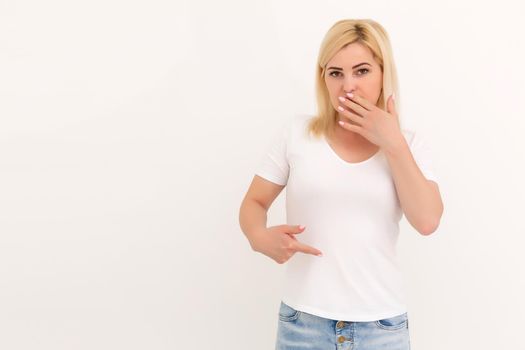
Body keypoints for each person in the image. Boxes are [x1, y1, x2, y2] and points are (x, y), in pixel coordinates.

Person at [238, 18, 444, 350]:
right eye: (336, 73)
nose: (348, 86)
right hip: (302, 325)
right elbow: (253, 203)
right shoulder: (297, 134)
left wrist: (392, 143)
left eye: (362, 71)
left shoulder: (408, 143)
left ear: (382, 73)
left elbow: (427, 220)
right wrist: (259, 237)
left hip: (382, 329)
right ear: (324, 78)